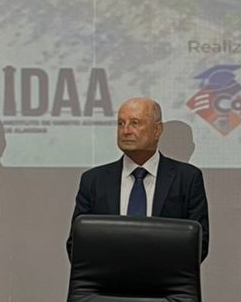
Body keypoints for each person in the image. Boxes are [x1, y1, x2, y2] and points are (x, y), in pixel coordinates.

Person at [67, 97, 209, 260]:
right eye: (121, 123)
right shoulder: (93, 181)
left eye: (135, 123)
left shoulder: (187, 178)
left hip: (164, 276)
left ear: (157, 130)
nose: (126, 131)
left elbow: (198, 244)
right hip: (108, 276)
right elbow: (77, 244)